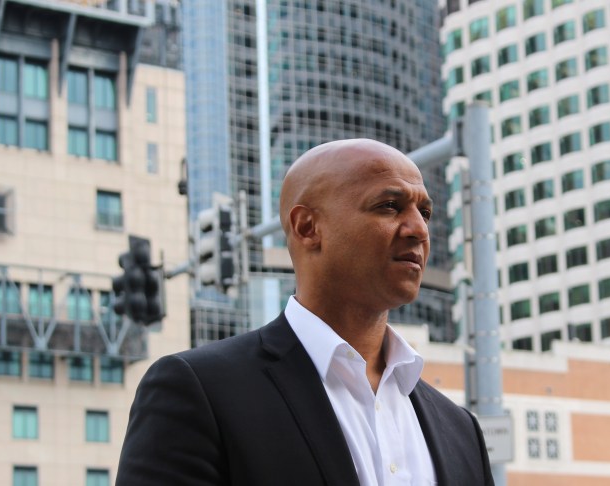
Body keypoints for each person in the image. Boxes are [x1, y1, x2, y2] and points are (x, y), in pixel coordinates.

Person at [116, 139, 494, 485]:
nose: (418, 229)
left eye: (424, 212)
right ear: (307, 226)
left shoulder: (460, 431)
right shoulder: (200, 391)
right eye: (389, 206)